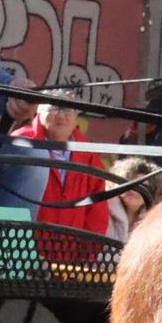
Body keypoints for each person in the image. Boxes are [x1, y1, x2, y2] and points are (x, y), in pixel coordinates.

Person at [15, 89, 112, 237]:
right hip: (26, 251)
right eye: (53, 108)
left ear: (76, 116)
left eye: (67, 109)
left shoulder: (88, 154)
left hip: (71, 254)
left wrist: (88, 256)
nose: (60, 115)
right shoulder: (21, 143)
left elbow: (97, 212)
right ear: (39, 112)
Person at [103, 155, 162, 242]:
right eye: (129, 183)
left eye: (143, 186)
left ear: (153, 193)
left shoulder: (154, 222)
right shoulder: (103, 208)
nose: (133, 190)